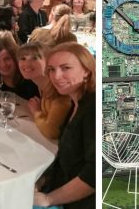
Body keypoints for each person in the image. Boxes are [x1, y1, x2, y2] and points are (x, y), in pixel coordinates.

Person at [34, 42, 95, 208]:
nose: (56, 76)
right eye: (52, 69)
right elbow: (63, 158)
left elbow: (93, 175)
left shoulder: (93, 108)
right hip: (59, 189)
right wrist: (42, 180)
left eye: (65, 68)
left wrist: (49, 199)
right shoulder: (75, 102)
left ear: (86, 71)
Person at [18, 43, 70, 140]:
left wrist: (36, 112)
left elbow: (51, 132)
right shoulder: (42, 86)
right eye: (23, 59)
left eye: (34, 58)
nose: (27, 64)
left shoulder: (59, 91)